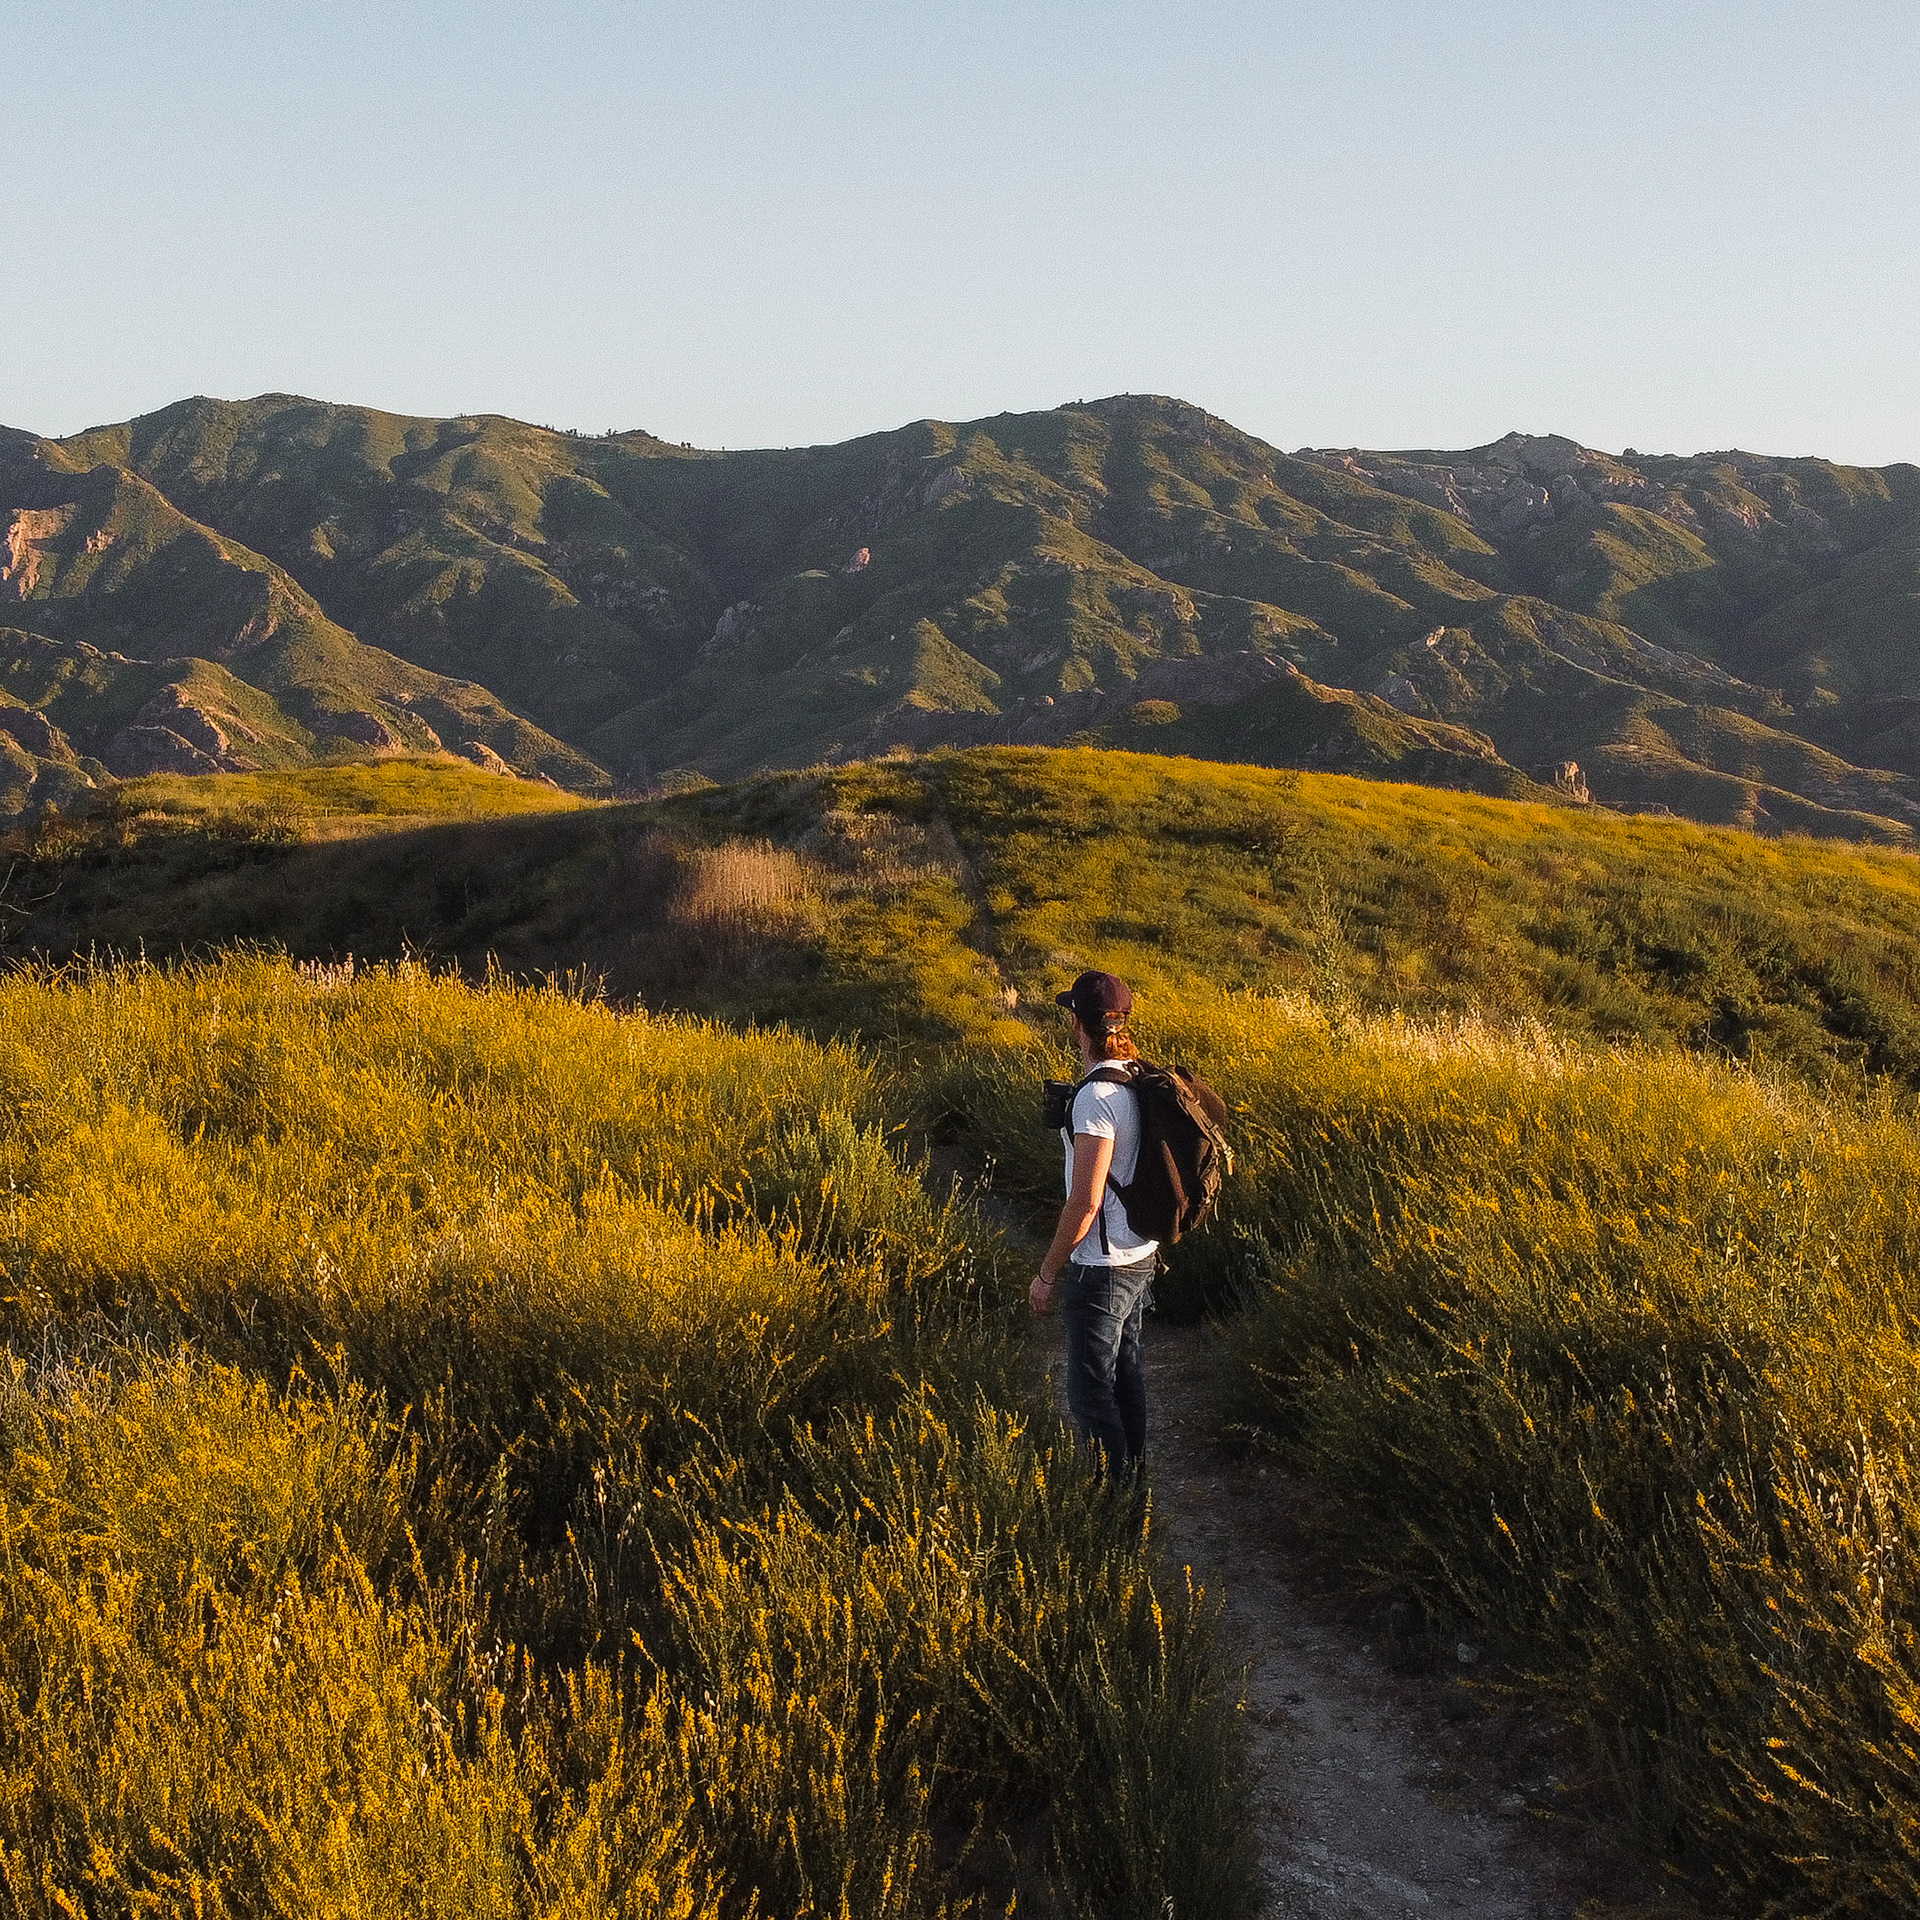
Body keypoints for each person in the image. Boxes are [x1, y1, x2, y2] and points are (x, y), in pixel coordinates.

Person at [1029, 969, 1158, 1474]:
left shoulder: (1095, 1099)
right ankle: (1134, 1489)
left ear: (1080, 1025)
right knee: (1127, 1379)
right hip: (1140, 1257)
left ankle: (1114, 1507)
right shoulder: (1138, 1078)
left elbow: (1084, 1202)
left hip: (1101, 1268)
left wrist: (1047, 1275)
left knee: (1090, 1396)